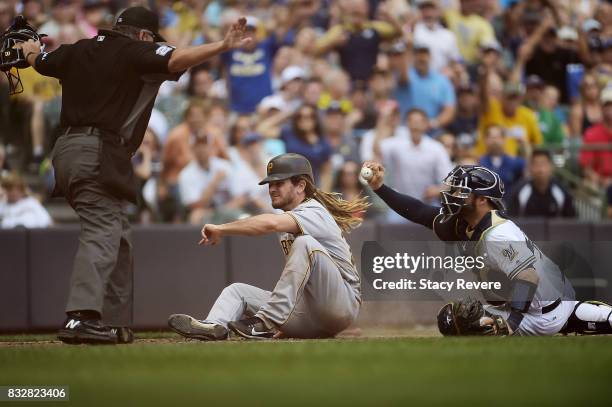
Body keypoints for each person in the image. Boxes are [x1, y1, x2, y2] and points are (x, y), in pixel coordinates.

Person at [14, 6, 251, 344]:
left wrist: (30, 51)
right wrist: (222, 46)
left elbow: (40, 60)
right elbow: (176, 59)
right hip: (95, 150)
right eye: (150, 39)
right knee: (102, 229)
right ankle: (80, 317)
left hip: (69, 151)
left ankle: (112, 323)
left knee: (117, 233)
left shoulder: (77, 49)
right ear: (143, 36)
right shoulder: (134, 50)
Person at [361, 161, 612, 336]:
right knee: (450, 317)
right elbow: (419, 212)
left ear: (482, 200)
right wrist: (379, 188)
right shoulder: (465, 222)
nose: (452, 195)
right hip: (539, 303)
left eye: (461, 191)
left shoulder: (498, 234)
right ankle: (577, 318)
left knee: (457, 320)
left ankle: (564, 320)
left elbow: (527, 276)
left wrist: (512, 323)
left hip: (531, 314)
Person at [168, 153, 368, 340]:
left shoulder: (314, 210)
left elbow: (269, 224)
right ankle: (214, 326)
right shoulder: (291, 217)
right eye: (270, 184)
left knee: (304, 242)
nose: (272, 189)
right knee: (237, 291)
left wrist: (221, 228)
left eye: (279, 183)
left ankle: (266, 321)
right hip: (310, 312)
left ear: (300, 186)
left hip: (342, 302)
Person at [508, 150, 576, 218]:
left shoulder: (562, 192)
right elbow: (511, 221)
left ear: (551, 167)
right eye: (536, 165)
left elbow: (572, 222)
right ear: (530, 168)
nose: (540, 170)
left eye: (544, 164)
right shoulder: (519, 192)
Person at [580, 87, 612, 187]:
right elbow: (586, 168)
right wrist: (601, 180)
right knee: (588, 185)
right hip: (601, 184)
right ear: (601, 107)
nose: (610, 108)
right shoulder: (591, 133)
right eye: (607, 105)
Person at [478, 125, 525, 192]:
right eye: (491, 137)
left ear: (504, 139)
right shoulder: (480, 162)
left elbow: (527, 170)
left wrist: (523, 146)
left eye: (497, 137)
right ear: (485, 140)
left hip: (508, 200)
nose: (494, 141)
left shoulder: (514, 162)